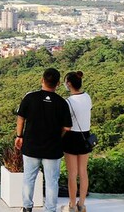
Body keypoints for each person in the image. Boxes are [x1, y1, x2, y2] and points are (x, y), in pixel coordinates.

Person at [15, 67, 71, 212]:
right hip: (53, 148)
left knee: (29, 178)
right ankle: (50, 209)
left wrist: (19, 136)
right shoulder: (62, 103)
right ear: (58, 84)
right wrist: (58, 137)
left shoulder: (30, 98)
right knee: (52, 181)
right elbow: (67, 127)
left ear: (42, 80)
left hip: (31, 145)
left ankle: (27, 207)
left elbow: (21, 118)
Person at [62, 71, 93, 212]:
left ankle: (72, 205)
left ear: (68, 84)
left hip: (71, 137)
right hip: (85, 136)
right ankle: (82, 204)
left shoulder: (68, 102)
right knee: (83, 172)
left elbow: (66, 125)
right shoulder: (88, 97)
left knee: (72, 174)